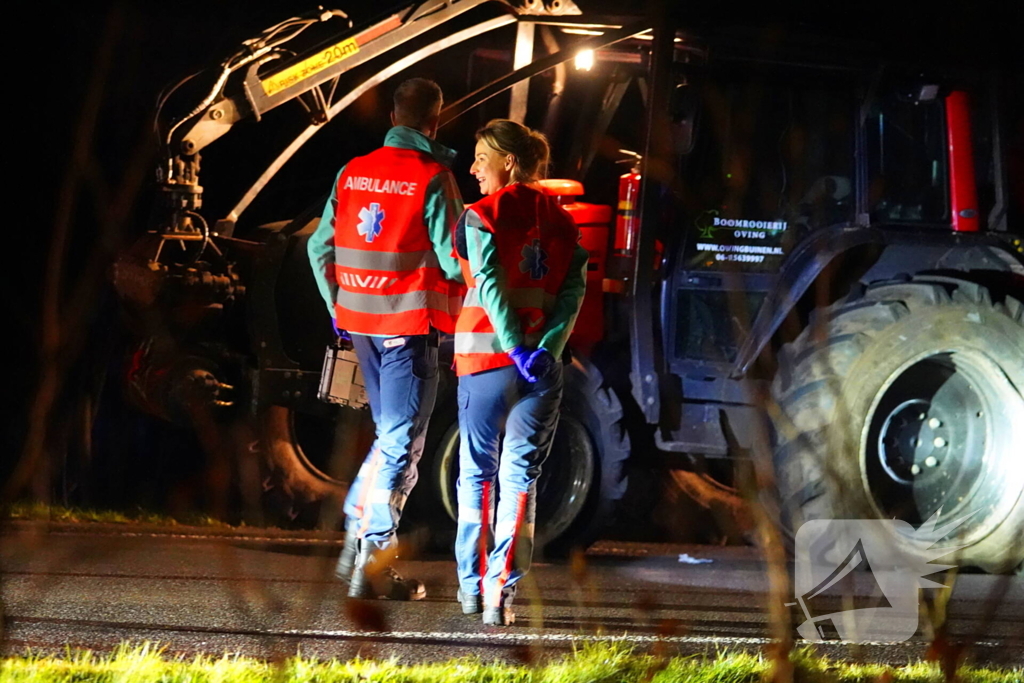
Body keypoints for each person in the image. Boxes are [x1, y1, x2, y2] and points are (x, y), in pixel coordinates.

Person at [307, 78, 464, 600]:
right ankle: (371, 560)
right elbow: (450, 258)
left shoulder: (353, 171)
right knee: (401, 446)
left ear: (393, 116)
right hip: (408, 327)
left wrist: (339, 309)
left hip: (363, 329)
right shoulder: (433, 177)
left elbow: (317, 249)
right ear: (435, 120)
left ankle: (357, 545)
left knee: (388, 439)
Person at [452, 119, 589, 625]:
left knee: (477, 476)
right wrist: (545, 349)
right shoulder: (564, 221)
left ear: (508, 162)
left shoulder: (480, 214)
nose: (473, 169)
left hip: (486, 360)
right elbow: (572, 295)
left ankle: (469, 587)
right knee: (521, 481)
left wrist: (510, 346)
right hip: (541, 369)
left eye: (480, 158)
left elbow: (486, 281)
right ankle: (499, 597)